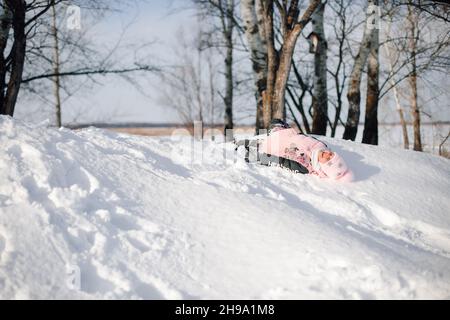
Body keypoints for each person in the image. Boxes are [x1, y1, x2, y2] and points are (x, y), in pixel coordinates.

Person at [258, 119, 354, 182]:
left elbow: (283, 162)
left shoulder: (305, 166)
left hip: (275, 145)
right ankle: (274, 130)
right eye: (332, 154)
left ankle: (268, 136)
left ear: (323, 167)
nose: (328, 154)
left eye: (328, 159)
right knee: (275, 120)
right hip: (285, 132)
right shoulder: (322, 146)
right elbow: (306, 138)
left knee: (265, 137)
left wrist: (264, 158)